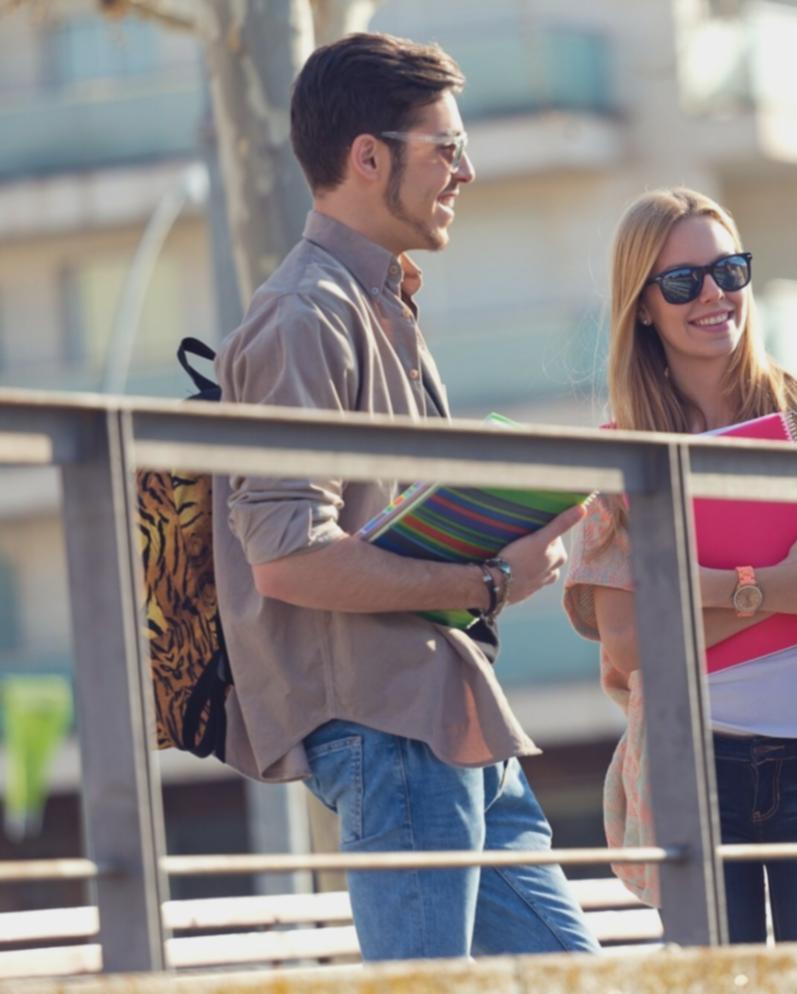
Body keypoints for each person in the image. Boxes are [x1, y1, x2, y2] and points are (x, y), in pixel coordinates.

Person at [211, 33, 598, 960]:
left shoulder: (375, 301)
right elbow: (288, 556)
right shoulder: (307, 316)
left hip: (446, 717)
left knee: (574, 977)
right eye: (447, 148)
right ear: (368, 156)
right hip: (392, 736)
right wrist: (488, 580)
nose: (466, 170)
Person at [562, 188, 797, 943]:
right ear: (642, 306)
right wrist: (785, 582)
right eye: (682, 281)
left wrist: (704, 596)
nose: (713, 294)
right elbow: (631, 647)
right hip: (693, 765)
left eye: (729, 269)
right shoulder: (623, 455)